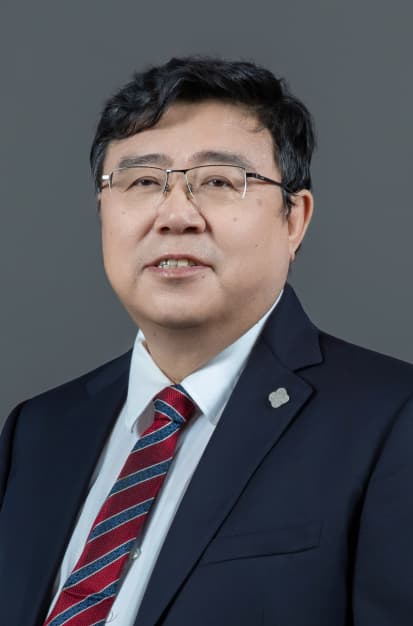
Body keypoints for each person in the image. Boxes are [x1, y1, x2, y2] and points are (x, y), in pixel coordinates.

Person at [1, 56, 413, 626]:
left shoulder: (393, 420)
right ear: (102, 212)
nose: (175, 215)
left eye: (219, 181)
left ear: (294, 219)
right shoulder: (38, 431)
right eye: (143, 181)